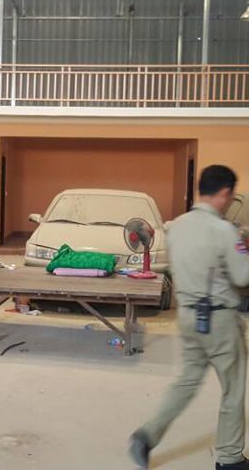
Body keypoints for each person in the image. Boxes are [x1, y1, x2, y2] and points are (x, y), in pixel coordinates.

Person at [129, 165, 249, 469]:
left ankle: (147, 436)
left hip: (187, 317)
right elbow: (242, 276)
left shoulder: (177, 226)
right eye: (230, 196)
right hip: (219, 322)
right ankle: (230, 457)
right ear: (224, 193)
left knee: (186, 382)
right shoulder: (224, 231)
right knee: (233, 390)